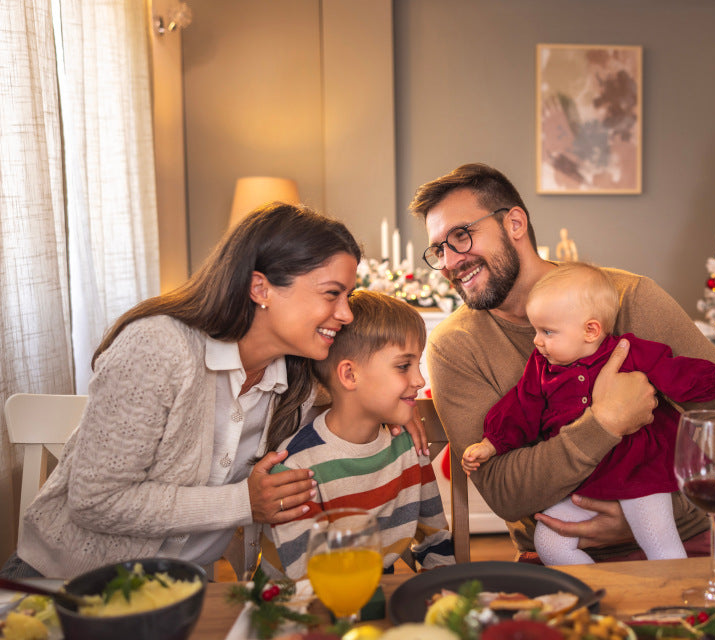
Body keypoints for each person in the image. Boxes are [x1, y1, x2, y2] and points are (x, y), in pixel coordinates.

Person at [0, 203, 426, 580]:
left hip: (185, 593)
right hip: (63, 584)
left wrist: (398, 409)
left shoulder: (296, 378)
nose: (345, 313)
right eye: (332, 294)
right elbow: (95, 500)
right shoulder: (159, 348)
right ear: (261, 289)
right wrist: (243, 502)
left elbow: (356, 399)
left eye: (348, 295)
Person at [410, 163, 715, 562]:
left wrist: (656, 509)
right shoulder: (454, 346)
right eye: (438, 249)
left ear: (514, 223)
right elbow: (503, 492)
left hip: (681, 539)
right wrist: (604, 422)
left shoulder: (630, 298)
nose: (448, 262)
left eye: (461, 236)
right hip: (557, 552)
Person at [461, 263, 715, 565]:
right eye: (537, 330)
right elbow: (519, 410)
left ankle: (675, 596)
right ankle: (597, 591)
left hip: (641, 474)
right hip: (585, 485)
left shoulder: (630, 351)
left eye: (547, 332)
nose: (536, 342)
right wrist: (491, 443)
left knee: (659, 541)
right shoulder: (541, 369)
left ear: (591, 330)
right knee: (549, 540)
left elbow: (676, 373)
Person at [270, 291, 454, 578]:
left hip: (373, 597)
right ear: (350, 375)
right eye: (403, 366)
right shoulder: (297, 468)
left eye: (417, 364)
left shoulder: (409, 447)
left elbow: (435, 539)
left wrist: (439, 591)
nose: (419, 380)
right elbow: (306, 582)